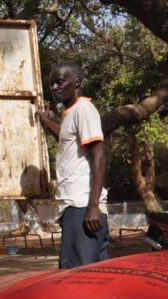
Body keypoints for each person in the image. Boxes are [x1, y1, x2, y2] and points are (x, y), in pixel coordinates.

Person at [37, 62, 108, 269]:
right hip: (75, 206)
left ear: (76, 82)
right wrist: (46, 121)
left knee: (77, 275)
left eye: (60, 82)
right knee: (94, 274)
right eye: (52, 84)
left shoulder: (84, 109)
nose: (54, 88)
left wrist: (93, 206)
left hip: (82, 205)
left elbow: (99, 157)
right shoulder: (70, 113)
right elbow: (65, 137)